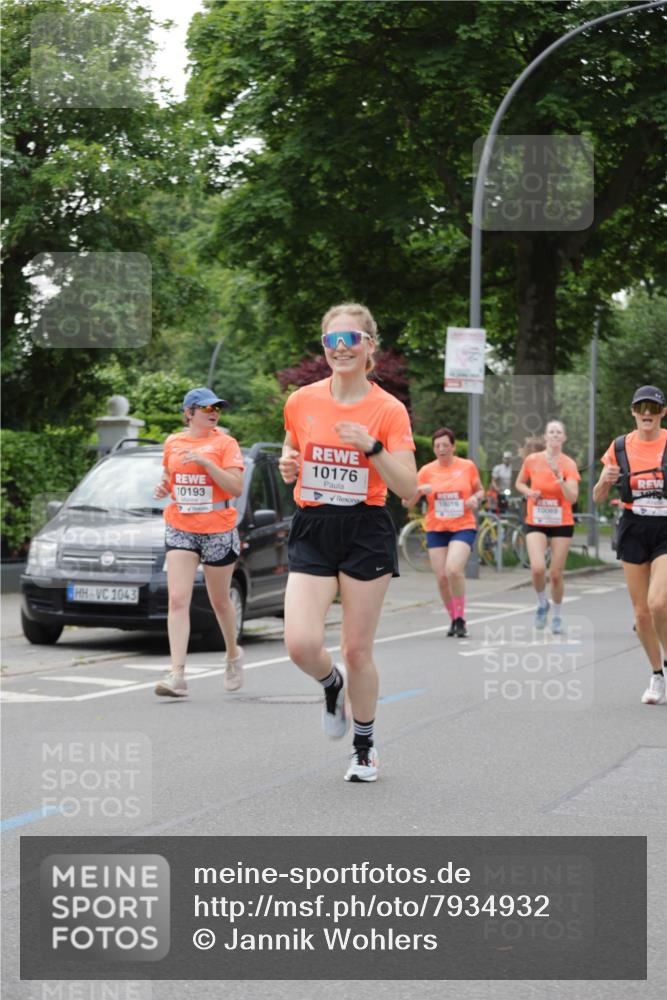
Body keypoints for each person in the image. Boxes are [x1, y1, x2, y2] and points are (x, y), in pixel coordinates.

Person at [279, 303, 417, 783]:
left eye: (350, 340)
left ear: (368, 347)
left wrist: (373, 447)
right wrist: (287, 465)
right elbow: (292, 448)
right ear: (324, 347)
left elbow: (409, 488)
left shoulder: (387, 410)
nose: (340, 349)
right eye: (331, 341)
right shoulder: (301, 401)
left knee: (357, 649)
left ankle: (364, 746)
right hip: (314, 525)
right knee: (300, 643)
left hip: (365, 529)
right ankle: (329, 684)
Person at [153, 387, 245, 698]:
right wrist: (163, 486)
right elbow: (169, 475)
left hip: (217, 529)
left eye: (217, 408)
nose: (213, 413)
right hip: (180, 526)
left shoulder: (225, 444)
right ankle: (177, 674)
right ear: (189, 413)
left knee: (219, 600)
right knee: (178, 599)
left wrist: (207, 463)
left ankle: (233, 654)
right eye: (206, 409)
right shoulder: (173, 442)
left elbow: (235, 486)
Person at [593, 385, 667, 705]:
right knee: (641, 614)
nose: (647, 413)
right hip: (634, 527)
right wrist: (606, 479)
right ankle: (656, 675)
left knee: (658, 603)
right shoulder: (620, 446)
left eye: (653, 407)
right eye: (641, 408)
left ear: (662, 412)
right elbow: (597, 497)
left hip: (666, 528)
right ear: (633, 412)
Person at [404, 428, 484, 638]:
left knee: (453, 570)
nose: (441, 449)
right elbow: (406, 502)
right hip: (436, 528)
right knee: (441, 577)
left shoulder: (467, 467)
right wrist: (420, 491)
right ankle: (454, 619)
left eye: (445, 445)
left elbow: (480, 490)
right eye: (437, 446)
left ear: (453, 447)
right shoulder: (426, 471)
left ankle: (460, 618)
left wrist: (476, 499)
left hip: (463, 525)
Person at [515, 420, 580, 633]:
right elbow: (520, 483)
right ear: (545, 437)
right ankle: (542, 603)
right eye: (551, 432)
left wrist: (560, 478)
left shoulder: (568, 464)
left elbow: (572, 497)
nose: (554, 435)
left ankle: (558, 616)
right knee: (537, 568)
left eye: (558, 432)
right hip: (537, 520)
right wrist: (529, 492)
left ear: (564, 438)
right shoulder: (532, 460)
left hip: (561, 522)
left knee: (555, 573)